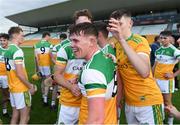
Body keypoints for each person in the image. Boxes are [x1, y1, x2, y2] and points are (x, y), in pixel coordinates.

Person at [108, 9, 164, 124]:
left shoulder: (140, 41)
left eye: (120, 24)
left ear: (130, 23)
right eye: (113, 25)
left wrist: (122, 40)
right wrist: (118, 100)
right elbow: (120, 77)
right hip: (130, 103)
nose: (116, 28)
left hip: (148, 101)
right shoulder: (116, 45)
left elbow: (144, 72)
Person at [69, 22, 117, 124]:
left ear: (92, 41)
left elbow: (95, 120)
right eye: (71, 41)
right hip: (109, 118)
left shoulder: (91, 72)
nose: (71, 45)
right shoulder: (105, 56)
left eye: (76, 41)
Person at [54, 9, 93, 124]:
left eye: (86, 24)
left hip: (89, 102)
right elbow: (56, 75)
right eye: (80, 24)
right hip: (69, 103)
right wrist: (71, 87)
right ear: (75, 26)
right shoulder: (66, 49)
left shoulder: (97, 48)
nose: (84, 27)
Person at [4, 27, 36, 124]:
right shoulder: (18, 51)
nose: (24, 38)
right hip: (21, 89)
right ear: (15, 35)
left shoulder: (8, 50)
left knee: (15, 115)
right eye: (22, 35)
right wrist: (30, 86)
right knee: (24, 118)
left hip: (12, 87)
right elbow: (20, 74)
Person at [153, 31, 180, 125]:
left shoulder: (174, 50)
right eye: (161, 38)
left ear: (170, 38)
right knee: (157, 101)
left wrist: (174, 74)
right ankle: (161, 119)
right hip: (156, 80)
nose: (163, 40)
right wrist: (152, 77)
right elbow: (155, 65)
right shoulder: (158, 50)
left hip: (166, 81)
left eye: (165, 38)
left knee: (167, 103)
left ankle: (170, 121)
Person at [43, 33, 68, 109]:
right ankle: (58, 102)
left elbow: (53, 58)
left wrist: (58, 64)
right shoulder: (69, 46)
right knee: (65, 84)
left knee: (54, 85)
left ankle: (48, 100)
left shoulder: (56, 46)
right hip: (66, 68)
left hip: (57, 67)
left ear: (60, 38)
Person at [34, 31, 53, 104]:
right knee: (47, 81)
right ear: (46, 36)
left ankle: (43, 95)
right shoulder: (50, 45)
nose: (50, 38)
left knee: (42, 81)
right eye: (49, 36)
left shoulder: (36, 45)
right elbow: (51, 57)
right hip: (47, 65)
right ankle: (45, 98)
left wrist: (36, 68)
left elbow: (36, 58)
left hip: (40, 66)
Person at [0, 33, 10, 116]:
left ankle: (4, 111)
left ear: (8, 40)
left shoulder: (11, 50)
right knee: (6, 95)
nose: (2, 42)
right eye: (1, 40)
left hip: (6, 76)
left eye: (4, 40)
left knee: (5, 94)